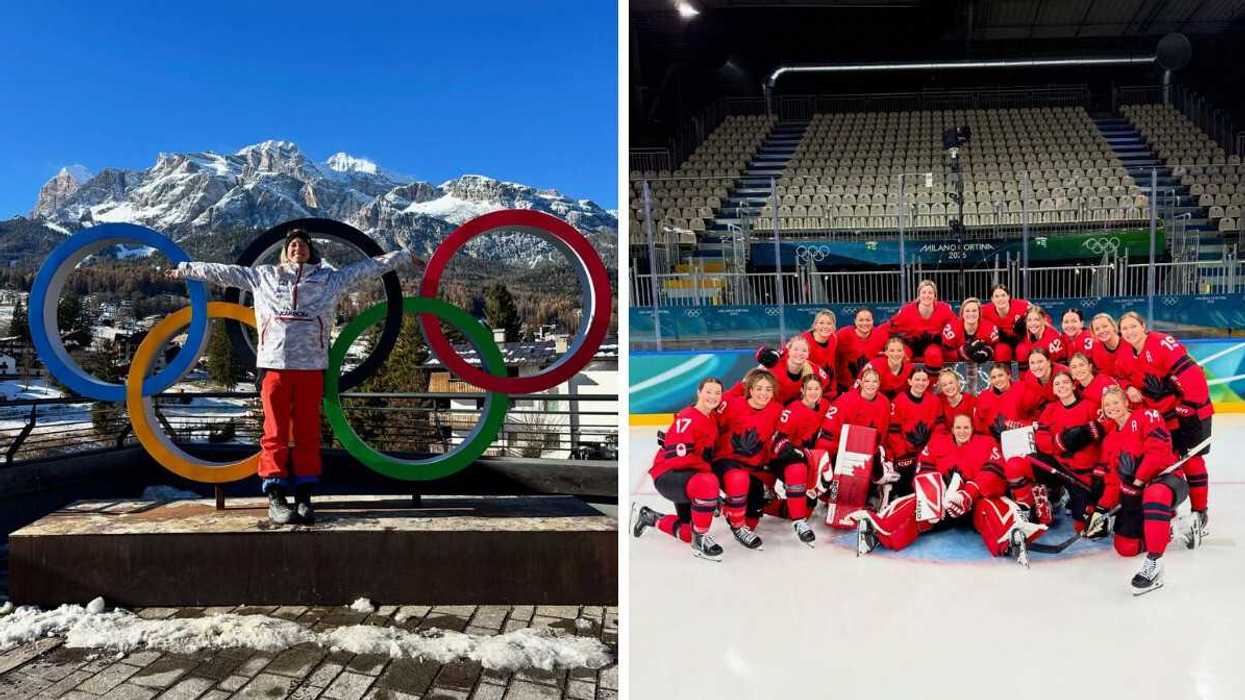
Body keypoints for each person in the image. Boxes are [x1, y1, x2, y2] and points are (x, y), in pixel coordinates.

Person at [169, 229, 422, 525]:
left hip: (311, 368)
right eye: (292, 244)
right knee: (274, 433)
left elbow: (369, 267)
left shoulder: (330, 279)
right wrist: (186, 269)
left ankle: (304, 496)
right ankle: (275, 496)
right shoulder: (263, 276)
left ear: (311, 251)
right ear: (285, 251)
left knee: (307, 433)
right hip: (273, 366)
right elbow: (223, 272)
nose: (297, 247)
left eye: (302, 244)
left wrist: (403, 256)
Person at [853, 413, 1037, 562]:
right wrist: (936, 494)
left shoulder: (987, 443)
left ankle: (1009, 540)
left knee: (991, 507)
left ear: (972, 428)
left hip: (973, 503)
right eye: (958, 427)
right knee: (915, 504)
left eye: (966, 427)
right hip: (942, 505)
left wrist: (968, 494)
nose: (962, 431)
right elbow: (923, 469)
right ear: (952, 428)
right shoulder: (937, 442)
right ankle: (878, 531)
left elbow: (994, 473)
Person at [1116, 312, 1212, 537]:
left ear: (1143, 326)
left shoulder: (1160, 343)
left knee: (1192, 461)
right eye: (1125, 328)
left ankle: (1200, 512)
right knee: (1168, 463)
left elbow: (1193, 374)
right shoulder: (1125, 353)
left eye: (1133, 326)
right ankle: (1170, 510)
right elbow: (1119, 375)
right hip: (1165, 417)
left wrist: (1188, 405)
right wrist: (1128, 386)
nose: (1129, 332)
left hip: (1191, 412)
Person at [1089, 386, 1191, 594]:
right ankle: (1167, 528)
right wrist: (1100, 509)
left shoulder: (1147, 415)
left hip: (1167, 481)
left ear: (1126, 402)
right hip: (1135, 492)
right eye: (1107, 405)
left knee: (1155, 494)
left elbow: (1158, 452)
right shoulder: (1110, 440)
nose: (1112, 407)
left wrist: (1137, 481)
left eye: (1116, 402)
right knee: (1125, 548)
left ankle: (1154, 563)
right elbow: (1112, 481)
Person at [713, 369, 809, 549]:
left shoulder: (777, 410)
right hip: (726, 462)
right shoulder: (731, 405)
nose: (763, 393)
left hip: (754, 468)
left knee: (753, 519)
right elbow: (706, 416)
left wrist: (787, 448)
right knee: (738, 479)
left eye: (768, 389)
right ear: (749, 390)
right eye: (759, 388)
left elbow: (781, 437)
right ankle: (735, 523)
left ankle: (726, 507)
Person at [632, 378, 727, 560]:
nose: (713, 396)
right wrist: (708, 472)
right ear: (699, 392)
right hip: (671, 476)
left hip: (690, 476)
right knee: (709, 482)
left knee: (686, 534)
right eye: (708, 392)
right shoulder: (688, 417)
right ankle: (700, 539)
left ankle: (650, 517)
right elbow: (678, 461)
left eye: (717, 393)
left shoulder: (712, 416)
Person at [1006, 370, 1102, 529]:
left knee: (1082, 524)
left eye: (1065, 382)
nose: (1061, 386)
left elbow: (1103, 434)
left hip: (1080, 475)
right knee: (1015, 464)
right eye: (1057, 384)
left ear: (1073, 385)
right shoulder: (1051, 409)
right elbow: (1042, 440)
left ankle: (1059, 496)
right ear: (1053, 390)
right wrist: (1061, 443)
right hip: (1057, 466)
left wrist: (1099, 468)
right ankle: (1030, 508)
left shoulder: (1090, 407)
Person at [885, 367, 940, 496]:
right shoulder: (899, 401)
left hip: (926, 452)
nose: (920, 383)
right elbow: (893, 432)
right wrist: (902, 455)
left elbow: (939, 428)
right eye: (917, 379)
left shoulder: (935, 401)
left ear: (928, 382)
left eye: (924, 380)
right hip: (905, 453)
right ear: (909, 381)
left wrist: (930, 451)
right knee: (905, 487)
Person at [889, 279, 956, 370]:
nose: (927, 295)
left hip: (933, 344)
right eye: (923, 292)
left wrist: (943, 339)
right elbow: (891, 326)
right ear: (919, 295)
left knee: (935, 355)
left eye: (930, 293)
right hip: (912, 344)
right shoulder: (907, 310)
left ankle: (933, 382)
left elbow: (955, 325)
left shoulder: (944, 309)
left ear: (934, 295)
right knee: (900, 355)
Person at [746, 334, 831, 404]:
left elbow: (827, 386)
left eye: (804, 351)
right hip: (768, 408)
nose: (800, 353)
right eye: (796, 349)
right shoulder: (774, 364)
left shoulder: (814, 371)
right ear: (788, 351)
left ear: (808, 354)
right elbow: (760, 356)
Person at [834, 308, 890, 394]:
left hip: (871, 387)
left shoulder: (881, 335)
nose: (864, 323)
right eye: (861, 320)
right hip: (845, 387)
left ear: (873, 321)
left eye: (868, 320)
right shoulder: (843, 334)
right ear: (855, 321)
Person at [974, 362, 1030, 438]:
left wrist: (1020, 424)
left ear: (1009, 375)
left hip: (1020, 436)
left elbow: (1035, 414)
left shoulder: (1021, 388)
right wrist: (989, 429)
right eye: (993, 377)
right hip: (994, 440)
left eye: (1000, 375)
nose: (997, 380)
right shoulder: (983, 397)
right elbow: (979, 424)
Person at [980, 284, 1031, 364]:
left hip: (1021, 340)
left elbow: (1044, 317)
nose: (1000, 299)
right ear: (992, 299)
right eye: (996, 296)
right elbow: (971, 321)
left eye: (1003, 295)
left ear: (1009, 297)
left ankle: (1025, 376)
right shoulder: (984, 310)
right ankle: (1003, 374)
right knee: (1001, 351)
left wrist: (1027, 323)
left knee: (1022, 351)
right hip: (1001, 342)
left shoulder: (1023, 306)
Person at [941, 297, 998, 364]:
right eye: (967, 311)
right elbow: (945, 354)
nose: (971, 314)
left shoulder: (989, 327)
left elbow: (997, 349)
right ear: (962, 313)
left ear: (979, 313)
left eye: (974, 311)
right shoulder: (952, 327)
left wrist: (988, 352)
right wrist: (963, 352)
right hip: (956, 366)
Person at [1014, 305, 1064, 370]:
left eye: (1036, 320)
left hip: (1054, 372)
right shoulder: (1027, 333)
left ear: (1043, 320)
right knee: (1020, 349)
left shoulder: (1051, 337)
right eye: (1029, 320)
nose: (1033, 323)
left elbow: (1058, 365)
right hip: (1036, 369)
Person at [1089, 313, 1133, 380]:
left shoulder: (1129, 342)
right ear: (1094, 333)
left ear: (1113, 326)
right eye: (1097, 329)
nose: (1102, 331)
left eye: (1105, 326)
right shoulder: (1096, 348)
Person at [934, 368, 975, 437]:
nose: (948, 387)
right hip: (947, 439)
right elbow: (939, 427)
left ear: (957, 383)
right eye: (944, 385)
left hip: (968, 437)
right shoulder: (939, 400)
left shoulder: (971, 400)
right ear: (941, 388)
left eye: (951, 383)